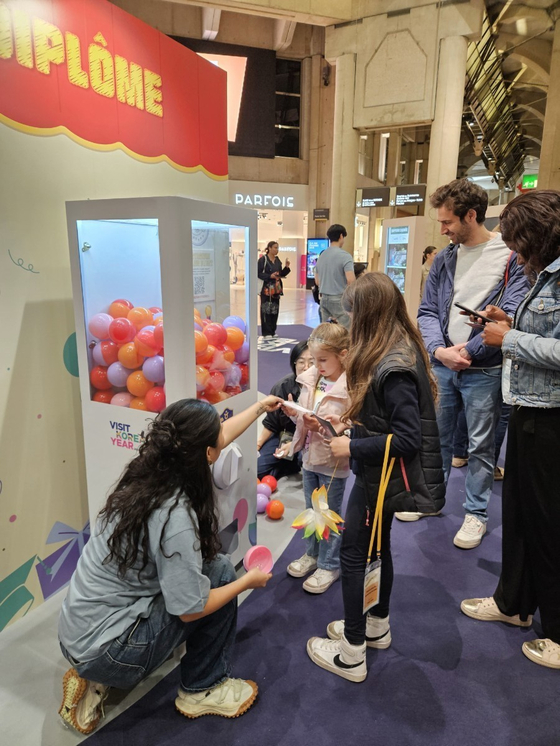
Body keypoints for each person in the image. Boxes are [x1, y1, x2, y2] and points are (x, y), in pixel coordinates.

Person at [57, 396, 282, 734]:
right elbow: (191, 610)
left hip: (75, 630)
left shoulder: (147, 470)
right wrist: (247, 581)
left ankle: (94, 676)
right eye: (215, 442)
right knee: (220, 572)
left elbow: (217, 435)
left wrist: (260, 409)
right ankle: (202, 688)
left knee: (205, 569)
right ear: (206, 453)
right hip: (109, 651)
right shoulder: (175, 514)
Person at [306, 273, 445, 682]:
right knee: (376, 550)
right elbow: (390, 421)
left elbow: (406, 439)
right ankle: (376, 624)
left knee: (354, 556)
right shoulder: (396, 349)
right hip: (378, 473)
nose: (349, 323)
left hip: (379, 476)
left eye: (353, 313)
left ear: (369, 313)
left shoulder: (393, 364)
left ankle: (351, 652)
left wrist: (352, 447)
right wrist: (354, 426)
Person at [460, 190, 560, 670]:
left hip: (552, 418)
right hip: (526, 409)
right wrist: (505, 321)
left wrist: (511, 338)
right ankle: (513, 604)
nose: (515, 253)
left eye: (521, 243)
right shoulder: (541, 276)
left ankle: (557, 632)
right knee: (519, 515)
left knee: (548, 523)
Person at [411, 178, 528, 549]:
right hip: (444, 365)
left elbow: (510, 315)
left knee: (480, 446)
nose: (443, 229)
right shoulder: (445, 258)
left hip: (485, 370)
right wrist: (438, 351)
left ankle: (475, 514)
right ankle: (431, 499)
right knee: (438, 439)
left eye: (447, 222)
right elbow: (427, 311)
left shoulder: (511, 256)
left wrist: (469, 352)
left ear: (471, 215)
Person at [284, 323, 351, 594]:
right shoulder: (312, 379)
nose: (317, 365)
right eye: (314, 360)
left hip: (333, 462)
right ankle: (312, 554)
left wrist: (322, 427)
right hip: (309, 457)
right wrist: (295, 414)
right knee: (312, 512)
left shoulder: (350, 386)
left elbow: (349, 425)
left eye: (323, 359)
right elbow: (306, 413)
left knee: (328, 515)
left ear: (343, 355)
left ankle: (329, 564)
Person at [257, 340, 313, 480]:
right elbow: (272, 422)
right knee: (257, 469)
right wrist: (258, 444)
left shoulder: (323, 390)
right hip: (283, 435)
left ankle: (293, 461)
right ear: (294, 363)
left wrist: (295, 444)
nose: (306, 367)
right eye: (301, 362)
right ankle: (286, 465)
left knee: (304, 461)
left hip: (311, 439)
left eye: (312, 362)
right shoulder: (283, 386)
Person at [315, 224, 355, 328]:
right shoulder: (345, 256)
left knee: (326, 332)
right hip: (339, 299)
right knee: (347, 331)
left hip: (323, 299)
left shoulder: (321, 256)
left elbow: (317, 281)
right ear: (341, 236)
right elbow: (351, 280)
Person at [258, 241, 290, 338]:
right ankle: (266, 332)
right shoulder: (263, 260)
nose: (277, 250)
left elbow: (280, 274)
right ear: (270, 248)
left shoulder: (277, 260)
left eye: (277, 248)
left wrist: (286, 268)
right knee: (266, 310)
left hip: (276, 289)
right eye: (275, 248)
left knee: (275, 310)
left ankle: (272, 331)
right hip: (266, 290)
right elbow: (258, 273)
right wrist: (269, 276)